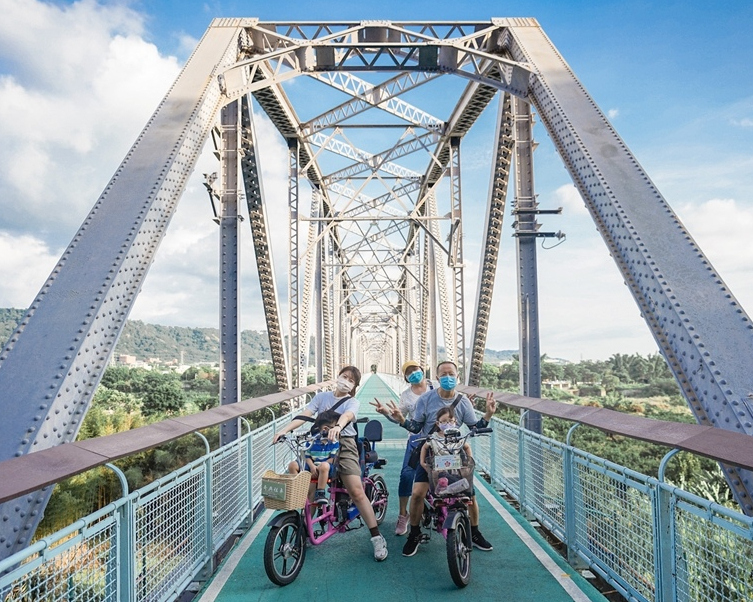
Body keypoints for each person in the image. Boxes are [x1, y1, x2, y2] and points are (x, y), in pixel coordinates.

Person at [372, 360, 496, 557]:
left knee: (469, 494)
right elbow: (415, 427)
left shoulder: (463, 402)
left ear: (458, 377)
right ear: (437, 378)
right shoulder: (426, 399)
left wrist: (488, 415)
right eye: (444, 374)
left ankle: (475, 531)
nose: (448, 377)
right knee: (418, 492)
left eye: (451, 374)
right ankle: (414, 533)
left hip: (455, 453)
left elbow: (475, 427)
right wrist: (402, 420)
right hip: (431, 452)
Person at [273, 366, 388, 562]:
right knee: (309, 490)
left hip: (344, 444)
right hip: (319, 443)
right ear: (337, 376)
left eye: (350, 380)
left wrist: (338, 427)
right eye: (343, 376)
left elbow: (347, 416)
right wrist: (283, 430)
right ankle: (304, 533)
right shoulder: (321, 398)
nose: (345, 381)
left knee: (357, 491)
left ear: (354, 386)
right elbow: (305, 415)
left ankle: (377, 537)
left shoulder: (352, 402)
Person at [369, 360, 434, 536]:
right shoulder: (406, 395)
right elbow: (400, 417)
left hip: (438, 437)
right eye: (409, 372)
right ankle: (403, 514)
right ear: (405, 377)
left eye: (416, 369)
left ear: (422, 369)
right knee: (406, 475)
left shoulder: (435, 387)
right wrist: (386, 413)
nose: (414, 373)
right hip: (416, 438)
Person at [287, 412, 340, 505]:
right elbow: (307, 456)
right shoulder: (312, 441)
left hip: (325, 467)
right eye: (334, 427)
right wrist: (312, 466)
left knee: (324, 466)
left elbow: (332, 459)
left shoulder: (334, 443)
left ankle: (320, 492)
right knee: (292, 465)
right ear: (325, 429)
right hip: (312, 464)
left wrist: (318, 466)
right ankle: (296, 489)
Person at [418, 406, 473, 495]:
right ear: (437, 423)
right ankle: (445, 490)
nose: (447, 424)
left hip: (455, 467)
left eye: (450, 421)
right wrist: (422, 463)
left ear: (455, 421)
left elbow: (467, 447)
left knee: (464, 477)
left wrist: (469, 460)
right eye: (443, 421)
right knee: (440, 476)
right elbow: (424, 447)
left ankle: (449, 490)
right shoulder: (434, 437)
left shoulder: (458, 437)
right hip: (439, 468)